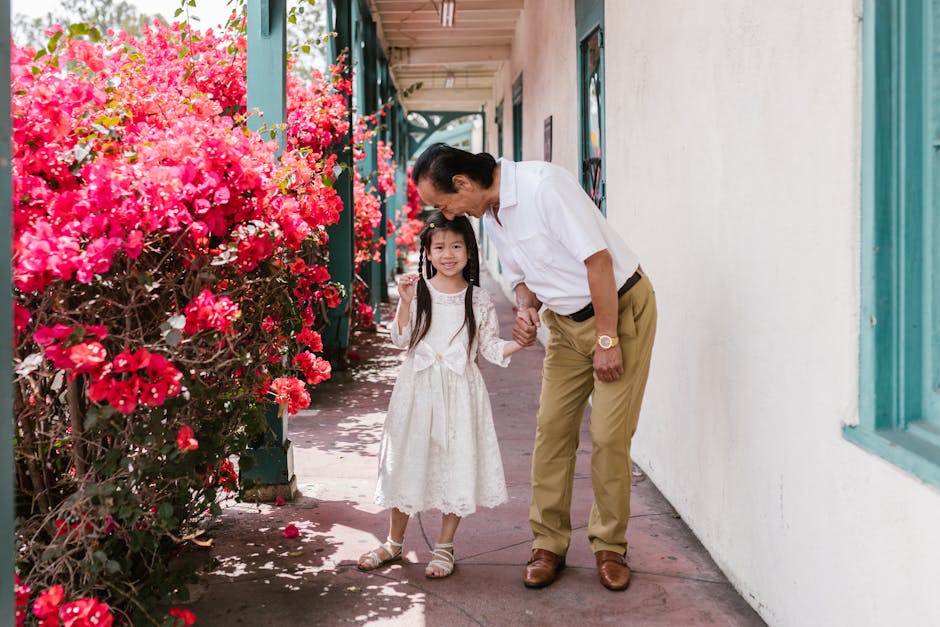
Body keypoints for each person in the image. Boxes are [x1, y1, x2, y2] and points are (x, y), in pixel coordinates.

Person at [410, 143, 657, 592]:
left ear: (464, 184)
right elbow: (525, 278)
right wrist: (524, 309)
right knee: (552, 430)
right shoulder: (493, 215)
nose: (445, 213)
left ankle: (609, 546)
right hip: (564, 323)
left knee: (607, 435)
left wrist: (607, 338)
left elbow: (598, 262)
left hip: (617, 311)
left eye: (443, 203)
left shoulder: (545, 187)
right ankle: (548, 545)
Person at [358, 211, 526, 579]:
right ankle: (393, 541)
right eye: (439, 247)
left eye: (456, 246)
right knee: (407, 459)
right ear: (427, 253)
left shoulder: (477, 300)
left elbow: (491, 348)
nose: (448, 253)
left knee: (455, 462)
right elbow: (402, 340)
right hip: (417, 389)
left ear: (469, 251)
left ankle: (446, 546)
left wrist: (520, 343)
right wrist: (403, 301)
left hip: (460, 391)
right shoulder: (418, 291)